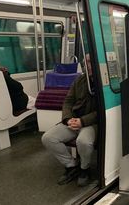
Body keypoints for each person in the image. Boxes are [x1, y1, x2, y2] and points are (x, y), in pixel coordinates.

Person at [42, 55, 97, 187]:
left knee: (83, 141)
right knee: (48, 138)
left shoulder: (105, 82)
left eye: (91, 62)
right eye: (86, 63)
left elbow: (102, 110)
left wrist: (83, 121)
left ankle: (85, 168)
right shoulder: (79, 80)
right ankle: (72, 166)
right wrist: (67, 119)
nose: (87, 66)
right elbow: (68, 101)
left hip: (92, 123)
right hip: (73, 120)